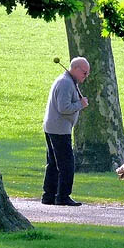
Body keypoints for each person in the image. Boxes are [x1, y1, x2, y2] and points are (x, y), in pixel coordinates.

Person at [42, 57, 90, 206]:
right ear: (75, 68)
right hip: (59, 129)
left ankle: (49, 196)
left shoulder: (68, 81)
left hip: (53, 127)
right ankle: (62, 196)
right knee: (67, 164)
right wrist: (80, 104)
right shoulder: (66, 83)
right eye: (84, 72)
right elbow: (64, 108)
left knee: (53, 162)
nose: (86, 76)